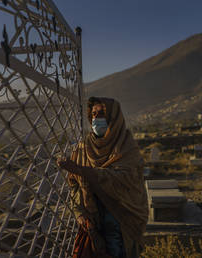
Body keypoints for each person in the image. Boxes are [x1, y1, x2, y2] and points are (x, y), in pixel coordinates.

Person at [57, 97, 148, 258]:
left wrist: (82, 170)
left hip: (121, 218)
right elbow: (74, 185)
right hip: (93, 219)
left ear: (113, 118)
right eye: (93, 114)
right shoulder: (83, 148)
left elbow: (126, 178)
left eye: (102, 114)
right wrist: (82, 216)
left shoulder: (126, 146)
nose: (96, 119)